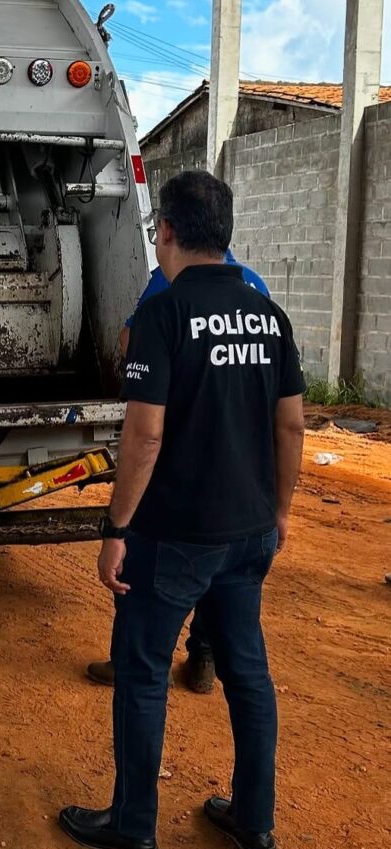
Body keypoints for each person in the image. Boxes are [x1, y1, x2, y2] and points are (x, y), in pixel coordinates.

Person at [59, 170, 305, 849]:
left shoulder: (163, 316)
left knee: (142, 672)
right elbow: (291, 426)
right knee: (247, 674)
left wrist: (115, 529)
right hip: (250, 531)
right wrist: (280, 512)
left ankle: (133, 824)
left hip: (173, 536)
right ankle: (253, 822)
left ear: (165, 231)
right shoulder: (270, 316)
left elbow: (144, 436)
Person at [87, 247, 271, 695]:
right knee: (223, 562)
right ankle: (203, 658)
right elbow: (289, 417)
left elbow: (130, 343)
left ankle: (129, 659)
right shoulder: (256, 288)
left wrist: (117, 526)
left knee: (148, 561)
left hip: (179, 453)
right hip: (242, 464)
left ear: (172, 232)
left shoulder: (167, 282)